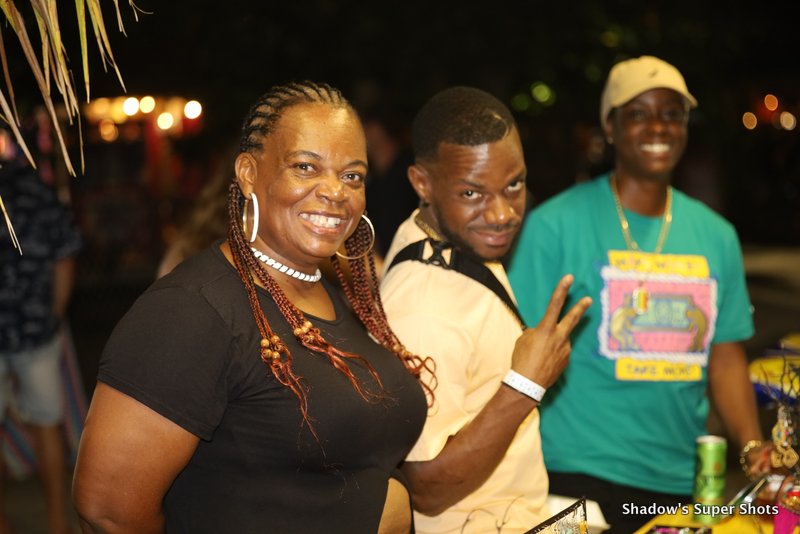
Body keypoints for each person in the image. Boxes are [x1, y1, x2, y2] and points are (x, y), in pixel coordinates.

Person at [73, 81, 431, 533]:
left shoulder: (336, 290)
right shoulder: (192, 310)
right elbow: (107, 510)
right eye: (305, 167)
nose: (335, 191)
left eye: (352, 176)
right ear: (247, 173)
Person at [507, 55, 769, 532]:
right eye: (639, 113)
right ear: (610, 127)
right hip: (573, 476)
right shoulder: (553, 226)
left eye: (672, 113)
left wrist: (752, 449)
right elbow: (510, 350)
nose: (658, 126)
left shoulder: (716, 235)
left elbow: (726, 356)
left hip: (680, 481)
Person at [379, 86, 592, 533]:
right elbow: (425, 487)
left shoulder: (449, 239)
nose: (501, 214)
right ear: (422, 184)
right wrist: (526, 385)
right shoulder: (425, 307)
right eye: (472, 193)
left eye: (513, 184)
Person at [0, 129, 82, 534]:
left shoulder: (32, 187)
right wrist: (54, 314)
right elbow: (65, 253)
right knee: (48, 423)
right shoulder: (36, 188)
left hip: (30, 326)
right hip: (37, 328)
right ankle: (57, 523)